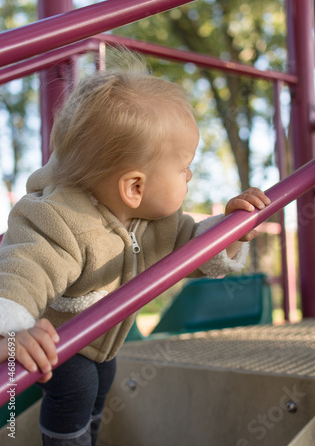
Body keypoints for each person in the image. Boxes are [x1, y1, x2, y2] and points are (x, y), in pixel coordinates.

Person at [0, 49, 270, 445]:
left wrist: (230, 230)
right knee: (76, 385)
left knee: (101, 379)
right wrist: (12, 331)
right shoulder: (58, 219)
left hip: (102, 342)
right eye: (183, 168)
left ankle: (88, 435)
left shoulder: (156, 222)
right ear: (135, 187)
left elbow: (191, 249)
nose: (191, 174)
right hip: (57, 338)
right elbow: (24, 269)